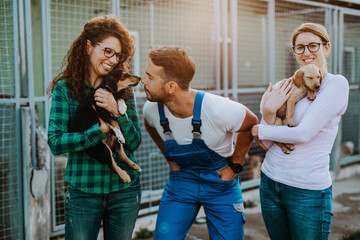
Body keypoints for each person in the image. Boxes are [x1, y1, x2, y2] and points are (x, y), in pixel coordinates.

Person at [142, 46, 259, 240]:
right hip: (182, 182)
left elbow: (251, 123)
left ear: (171, 87)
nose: (143, 81)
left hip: (220, 183)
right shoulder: (151, 110)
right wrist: (170, 160)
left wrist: (235, 165)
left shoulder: (216, 108)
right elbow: (150, 127)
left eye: (150, 77)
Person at [47, 15, 141, 240]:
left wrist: (118, 113)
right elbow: (56, 142)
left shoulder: (123, 90)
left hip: (124, 192)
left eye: (118, 55)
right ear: (89, 46)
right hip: (83, 193)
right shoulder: (65, 90)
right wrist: (98, 132)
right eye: (107, 51)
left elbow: (134, 143)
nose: (113, 60)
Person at [251, 23, 349, 240]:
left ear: (327, 47)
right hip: (270, 183)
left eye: (313, 46)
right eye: (300, 47)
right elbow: (267, 145)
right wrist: (268, 112)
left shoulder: (335, 85)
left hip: (307, 191)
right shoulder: (285, 85)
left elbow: (303, 134)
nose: (306, 53)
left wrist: (260, 128)